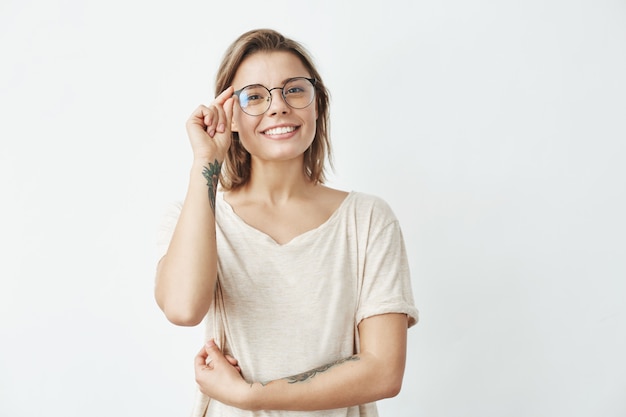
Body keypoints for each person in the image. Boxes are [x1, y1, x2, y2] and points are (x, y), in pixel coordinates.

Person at [155, 28, 419, 416]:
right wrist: (205, 164)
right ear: (230, 117)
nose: (278, 107)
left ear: (317, 105)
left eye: (294, 90)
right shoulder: (193, 215)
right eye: (255, 96)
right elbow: (182, 308)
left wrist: (252, 396)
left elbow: (383, 372)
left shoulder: (367, 219)